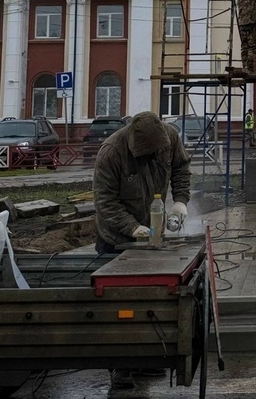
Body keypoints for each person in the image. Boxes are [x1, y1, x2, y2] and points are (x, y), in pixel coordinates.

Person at [93, 112, 191, 391]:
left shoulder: (169, 137)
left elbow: (181, 168)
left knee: (148, 297)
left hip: (151, 235)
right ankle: (120, 367)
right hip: (115, 238)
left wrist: (180, 202)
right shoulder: (111, 153)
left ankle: (145, 357)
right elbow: (105, 202)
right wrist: (132, 227)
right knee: (119, 305)